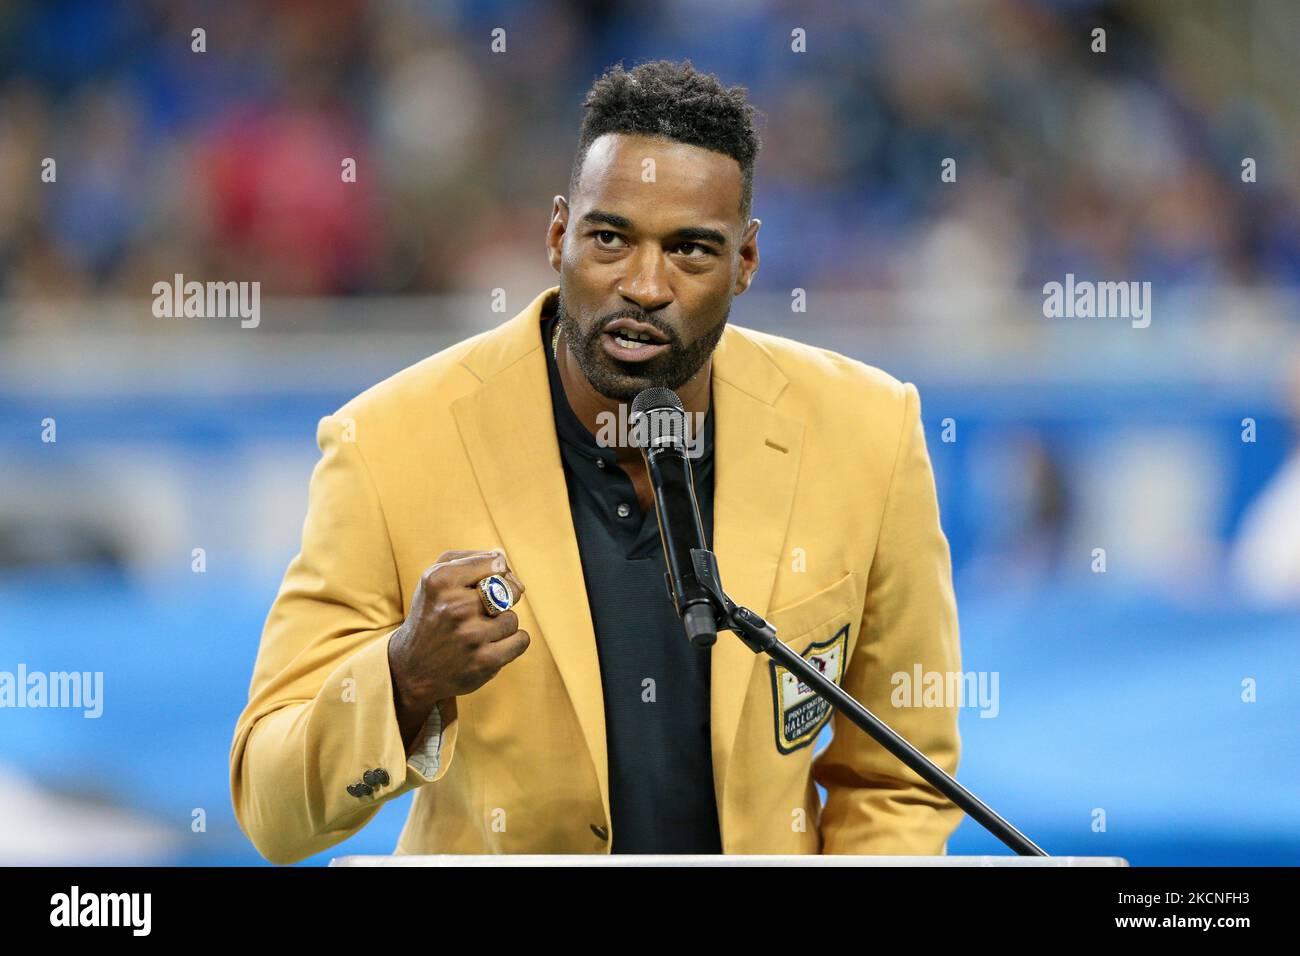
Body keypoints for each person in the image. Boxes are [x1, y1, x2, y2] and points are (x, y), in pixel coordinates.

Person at [230, 59, 963, 863]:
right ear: (557, 235)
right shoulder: (387, 443)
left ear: (747, 262)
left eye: (690, 250)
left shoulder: (869, 432)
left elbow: (900, 775)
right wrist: (404, 680)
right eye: (609, 237)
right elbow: (272, 810)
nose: (644, 285)